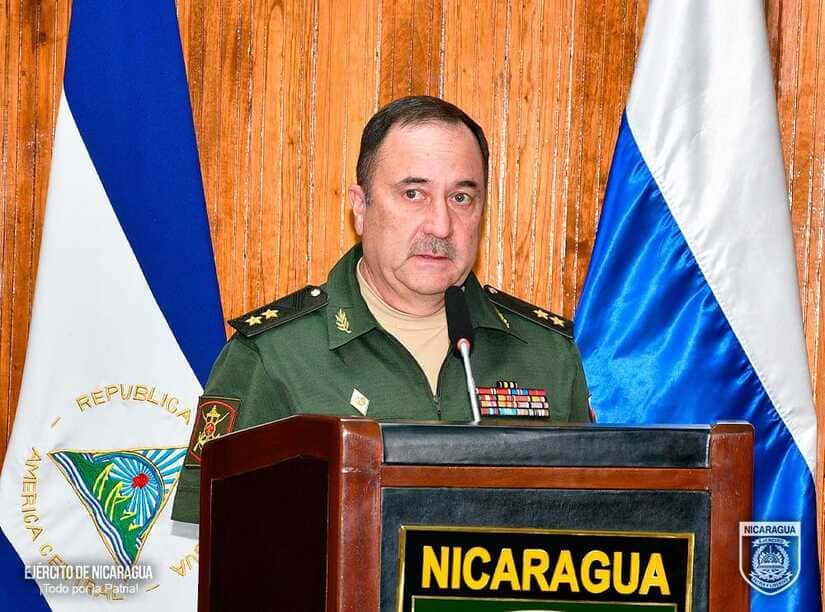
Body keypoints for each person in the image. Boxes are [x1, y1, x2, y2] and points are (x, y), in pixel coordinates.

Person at [171, 96, 592, 524]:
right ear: (361, 206)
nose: (441, 225)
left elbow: (589, 525)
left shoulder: (547, 354)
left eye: (461, 197)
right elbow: (223, 542)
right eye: (413, 194)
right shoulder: (273, 356)